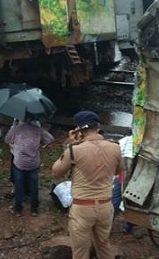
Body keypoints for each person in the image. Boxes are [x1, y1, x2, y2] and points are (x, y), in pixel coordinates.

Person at [52, 110, 123, 259]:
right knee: (103, 245)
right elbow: (118, 171)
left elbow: (56, 172)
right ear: (98, 127)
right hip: (105, 206)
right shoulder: (115, 147)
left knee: (80, 251)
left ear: (79, 130)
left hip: (82, 208)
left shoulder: (74, 151)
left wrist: (69, 145)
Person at [5, 116, 55, 217]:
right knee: (34, 186)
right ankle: (34, 209)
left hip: (19, 162)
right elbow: (50, 139)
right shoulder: (38, 129)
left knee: (19, 186)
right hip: (33, 163)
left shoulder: (17, 128)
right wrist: (40, 143)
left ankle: (18, 209)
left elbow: (7, 139)